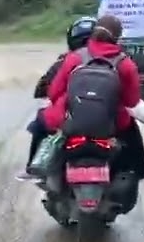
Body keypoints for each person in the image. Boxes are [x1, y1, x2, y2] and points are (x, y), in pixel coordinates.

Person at [40, 14, 144, 205]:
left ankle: (39, 170)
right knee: (132, 133)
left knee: (46, 131)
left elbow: (53, 92)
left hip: (71, 123)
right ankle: (141, 170)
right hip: (111, 127)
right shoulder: (125, 64)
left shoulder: (74, 58)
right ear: (118, 37)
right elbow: (132, 101)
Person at [20, 17, 97, 178]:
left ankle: (33, 167)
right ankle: (137, 166)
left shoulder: (65, 61)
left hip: (68, 120)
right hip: (107, 121)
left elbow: (48, 90)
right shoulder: (114, 59)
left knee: (40, 122)